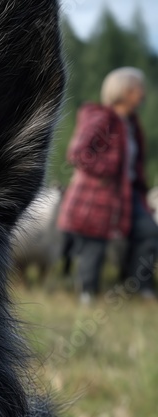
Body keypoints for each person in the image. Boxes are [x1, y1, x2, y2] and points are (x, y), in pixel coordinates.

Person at [58, 67, 157, 303]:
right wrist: (107, 171)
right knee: (94, 244)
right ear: (125, 91)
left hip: (128, 194)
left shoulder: (131, 124)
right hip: (98, 195)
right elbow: (78, 154)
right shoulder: (101, 118)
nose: (142, 93)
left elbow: (134, 165)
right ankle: (87, 295)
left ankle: (139, 287)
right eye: (138, 88)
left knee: (150, 233)